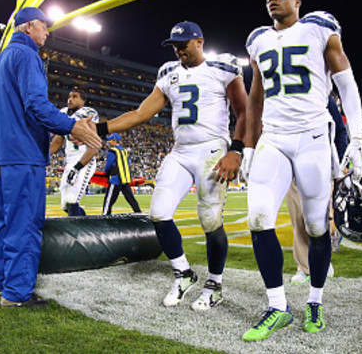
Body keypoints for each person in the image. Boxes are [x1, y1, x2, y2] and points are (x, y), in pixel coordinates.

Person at [241, 0, 362, 340]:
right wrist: (248, 145)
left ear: (298, 1)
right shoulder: (258, 40)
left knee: (316, 226)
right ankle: (277, 306)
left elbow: (347, 84)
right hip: (274, 137)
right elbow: (255, 96)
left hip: (312, 136)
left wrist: (356, 136)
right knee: (259, 217)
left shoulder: (319, 29)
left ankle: (315, 299)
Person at [96, 20, 248, 312]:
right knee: (159, 213)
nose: (179, 50)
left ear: (200, 41)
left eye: (184, 44)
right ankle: (184, 273)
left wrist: (236, 150)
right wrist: (100, 128)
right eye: (175, 45)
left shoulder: (223, 69)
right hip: (180, 151)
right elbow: (141, 114)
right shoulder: (168, 72)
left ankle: (214, 285)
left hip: (213, 148)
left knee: (210, 221)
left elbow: (244, 112)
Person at [0, 7, 102, 309]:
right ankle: (16, 294)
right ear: (26, 27)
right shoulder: (27, 56)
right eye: (43, 26)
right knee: (23, 224)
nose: (47, 32)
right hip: (22, 154)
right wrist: (72, 125)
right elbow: (36, 105)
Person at [288, 95, 348, 284]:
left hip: (320, 163)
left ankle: (323, 260)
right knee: (298, 218)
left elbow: (339, 131)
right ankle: (304, 267)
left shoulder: (323, 96)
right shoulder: (282, 93)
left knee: (320, 218)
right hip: (291, 164)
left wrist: (340, 164)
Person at [50, 88, 100, 216]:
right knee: (66, 205)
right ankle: (87, 226)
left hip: (84, 160)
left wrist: (78, 167)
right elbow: (57, 142)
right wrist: (39, 156)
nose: (70, 99)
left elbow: (94, 147)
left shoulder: (87, 114)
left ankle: (77, 234)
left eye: (74, 96)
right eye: (69, 96)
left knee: (72, 201)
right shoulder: (64, 114)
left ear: (83, 102)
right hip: (70, 161)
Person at [101, 133, 142, 215]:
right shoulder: (125, 151)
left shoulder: (113, 151)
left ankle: (105, 216)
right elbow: (129, 165)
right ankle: (139, 214)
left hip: (115, 179)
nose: (108, 142)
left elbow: (108, 165)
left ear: (114, 141)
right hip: (125, 178)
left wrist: (106, 173)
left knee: (109, 200)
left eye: (110, 140)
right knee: (131, 199)